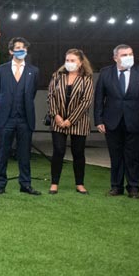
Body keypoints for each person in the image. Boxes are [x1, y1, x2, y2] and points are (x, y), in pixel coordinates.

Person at [94, 44, 139, 199]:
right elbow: (99, 98)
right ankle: (116, 187)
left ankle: (133, 187)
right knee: (115, 156)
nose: (129, 57)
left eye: (130, 54)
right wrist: (98, 120)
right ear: (115, 58)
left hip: (136, 121)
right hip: (112, 121)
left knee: (133, 156)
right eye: (124, 55)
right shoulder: (105, 73)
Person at [0, 37, 41, 195]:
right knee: (3, 152)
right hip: (6, 118)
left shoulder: (33, 71)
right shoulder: (1, 70)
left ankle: (25, 184)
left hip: (25, 118)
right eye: (18, 47)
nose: (21, 50)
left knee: (24, 153)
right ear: (11, 51)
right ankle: (0, 184)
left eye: (24, 48)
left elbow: (32, 93)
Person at [46, 49, 95, 195]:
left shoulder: (87, 79)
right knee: (58, 151)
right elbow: (50, 96)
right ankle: (54, 183)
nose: (69, 63)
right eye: (67, 60)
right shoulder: (57, 76)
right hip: (58, 121)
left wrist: (70, 120)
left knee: (78, 153)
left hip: (79, 122)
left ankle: (80, 183)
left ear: (80, 63)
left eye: (72, 60)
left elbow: (86, 102)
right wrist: (56, 115)